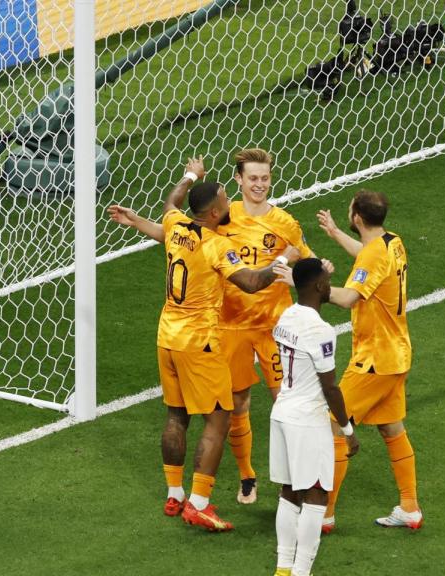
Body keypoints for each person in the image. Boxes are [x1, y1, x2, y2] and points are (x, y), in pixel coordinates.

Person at [109, 149, 317, 505]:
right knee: (233, 407)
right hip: (225, 327)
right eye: (252, 178)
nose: (259, 184)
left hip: (271, 326)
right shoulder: (220, 223)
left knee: (285, 404)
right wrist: (284, 259)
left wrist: (317, 268)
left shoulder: (283, 222)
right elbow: (248, 279)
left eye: (265, 178)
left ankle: (293, 482)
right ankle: (243, 479)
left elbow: (306, 259)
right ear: (238, 181)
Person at [313, 189, 422, 531]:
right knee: (391, 427)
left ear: (357, 217)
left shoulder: (374, 254)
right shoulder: (392, 242)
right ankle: (410, 507)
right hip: (397, 353)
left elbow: (348, 298)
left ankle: (324, 515)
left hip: (374, 359)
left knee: (333, 423)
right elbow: (367, 256)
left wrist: (310, 286)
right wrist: (335, 233)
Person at [269, 258, 359, 576]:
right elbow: (330, 388)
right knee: (317, 494)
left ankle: (283, 568)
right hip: (307, 419)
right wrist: (347, 429)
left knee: (289, 492)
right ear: (319, 286)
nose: (329, 286)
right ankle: (301, 572)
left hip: (282, 412)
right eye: (326, 282)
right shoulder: (321, 331)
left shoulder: (286, 316)